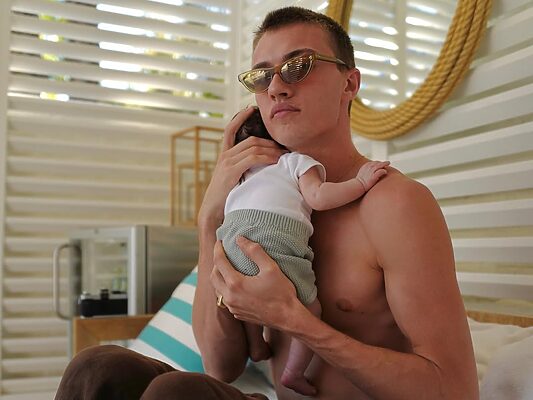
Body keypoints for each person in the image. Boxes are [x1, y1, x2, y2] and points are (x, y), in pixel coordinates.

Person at [54, 6, 479, 400]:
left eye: (298, 66)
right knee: (98, 367)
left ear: (349, 83)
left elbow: (456, 389)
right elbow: (221, 365)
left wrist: (296, 321)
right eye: (261, 76)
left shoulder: (394, 203)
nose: (276, 87)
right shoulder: (256, 207)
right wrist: (210, 220)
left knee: (176, 394)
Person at [217, 108, 389, 396]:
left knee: (245, 294)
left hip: (231, 242)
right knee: (311, 310)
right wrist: (360, 183)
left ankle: (256, 343)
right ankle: (294, 373)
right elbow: (318, 198)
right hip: (273, 238)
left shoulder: (241, 176)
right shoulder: (294, 161)